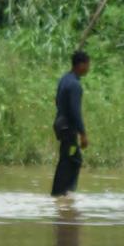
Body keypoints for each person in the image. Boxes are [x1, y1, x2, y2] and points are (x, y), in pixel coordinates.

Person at [52, 51, 90, 197]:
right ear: (81, 65)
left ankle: (62, 192)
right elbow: (75, 111)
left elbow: (57, 101)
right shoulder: (75, 85)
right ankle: (62, 193)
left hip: (61, 126)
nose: (88, 68)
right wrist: (83, 134)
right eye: (87, 65)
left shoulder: (64, 79)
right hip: (68, 129)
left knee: (69, 158)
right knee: (72, 160)